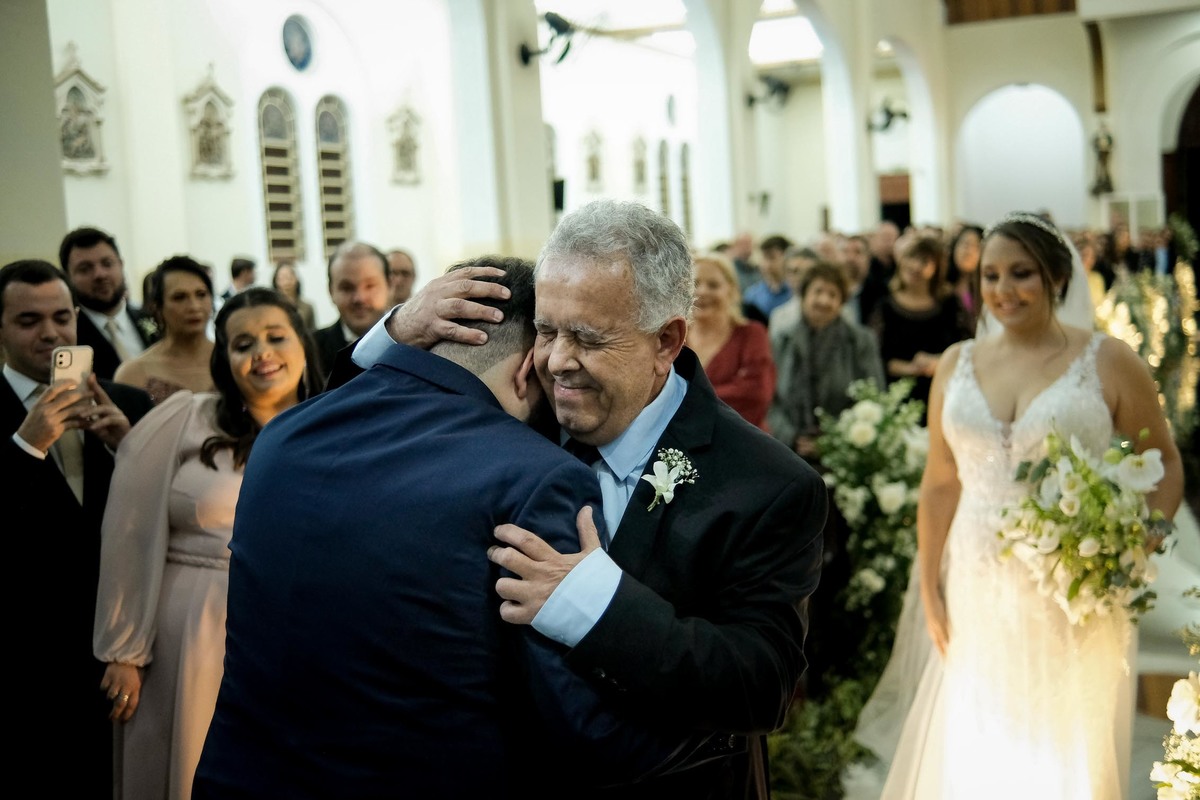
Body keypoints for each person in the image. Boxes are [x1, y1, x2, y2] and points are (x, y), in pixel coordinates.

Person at [348, 199, 828, 799]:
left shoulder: (768, 484)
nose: (556, 361)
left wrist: (596, 602)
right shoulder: (519, 409)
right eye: (547, 331)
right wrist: (397, 335)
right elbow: (361, 440)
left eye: (588, 338)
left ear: (666, 341)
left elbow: (760, 687)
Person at [194, 258, 712, 799]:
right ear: (528, 369)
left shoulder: (284, 435)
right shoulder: (536, 477)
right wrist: (724, 719)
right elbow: (582, 729)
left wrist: (395, 331)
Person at [854, 212, 1184, 799]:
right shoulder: (955, 363)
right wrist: (928, 585)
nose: (1003, 290)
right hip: (974, 574)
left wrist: (1137, 546)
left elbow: (1163, 459)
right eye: (991, 276)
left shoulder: (1108, 360)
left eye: (1021, 274)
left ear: (1057, 277)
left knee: (1064, 734)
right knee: (978, 726)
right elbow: (941, 481)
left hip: (1075, 580)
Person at [94, 287, 320, 800]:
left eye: (275, 337)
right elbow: (130, 528)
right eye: (243, 344)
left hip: (299, 628)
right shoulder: (185, 417)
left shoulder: (334, 425)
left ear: (302, 346)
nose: (262, 353)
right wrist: (124, 649)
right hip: (194, 630)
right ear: (225, 360)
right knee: (191, 763)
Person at [0, 259, 153, 797]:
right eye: (28, 321)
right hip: (27, 657)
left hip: (125, 649)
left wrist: (130, 448)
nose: (50, 333)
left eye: (62, 317)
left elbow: (156, 525)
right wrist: (26, 446)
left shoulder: (127, 403)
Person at [768, 261, 884, 460]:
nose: (824, 300)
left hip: (846, 452)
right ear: (804, 295)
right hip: (787, 450)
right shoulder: (782, 340)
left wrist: (833, 439)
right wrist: (791, 437)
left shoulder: (860, 341)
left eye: (832, 295)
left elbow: (873, 396)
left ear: (842, 302)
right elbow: (769, 399)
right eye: (818, 291)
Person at [869, 234, 972, 417]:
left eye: (924, 261)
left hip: (943, 395)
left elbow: (967, 348)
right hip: (898, 399)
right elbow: (876, 356)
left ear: (937, 268)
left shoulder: (950, 304)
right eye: (911, 258)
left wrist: (938, 361)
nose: (915, 266)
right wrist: (909, 368)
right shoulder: (884, 306)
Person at [686, 252, 775, 430]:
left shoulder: (752, 334)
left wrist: (685, 399)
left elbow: (756, 395)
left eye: (713, 285)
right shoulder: (675, 338)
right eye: (695, 284)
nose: (702, 291)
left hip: (741, 436)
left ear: (732, 290)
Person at [59, 226, 159, 379]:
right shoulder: (68, 336)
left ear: (121, 265)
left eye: (107, 263)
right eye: (85, 269)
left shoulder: (153, 321)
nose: (100, 274)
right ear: (67, 277)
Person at [113, 256, 215, 404]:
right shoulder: (133, 374)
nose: (194, 306)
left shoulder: (233, 361)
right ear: (157, 307)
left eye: (201, 295)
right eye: (179, 297)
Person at [311, 240, 390, 383]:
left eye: (370, 286)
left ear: (389, 285)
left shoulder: (414, 345)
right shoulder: (311, 350)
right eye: (347, 288)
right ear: (331, 291)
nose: (359, 298)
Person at [742, 234, 794, 320]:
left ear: (787, 258)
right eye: (763, 258)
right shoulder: (752, 295)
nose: (766, 264)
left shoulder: (794, 292)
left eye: (772, 257)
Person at [945, 224, 983, 328]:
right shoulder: (941, 282)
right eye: (965, 244)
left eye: (975, 246)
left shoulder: (984, 288)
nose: (968, 251)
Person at [271, 261, 316, 331]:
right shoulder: (270, 308)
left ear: (296, 280)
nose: (286, 282)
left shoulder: (307, 308)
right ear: (275, 281)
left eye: (289, 277)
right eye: (282, 278)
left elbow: (312, 332)